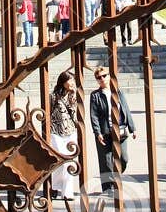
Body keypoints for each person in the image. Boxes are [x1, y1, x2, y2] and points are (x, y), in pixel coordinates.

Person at [89, 64, 135, 194]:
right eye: (99, 77)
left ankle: (116, 177)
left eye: (104, 76)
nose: (102, 79)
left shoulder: (117, 91)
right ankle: (108, 188)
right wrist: (97, 132)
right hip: (105, 131)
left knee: (124, 158)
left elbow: (126, 109)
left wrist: (132, 128)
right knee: (106, 162)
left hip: (121, 130)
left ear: (109, 76)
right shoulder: (95, 95)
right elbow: (94, 115)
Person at [49, 70, 79, 200]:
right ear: (63, 82)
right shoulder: (54, 96)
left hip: (70, 131)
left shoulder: (75, 95)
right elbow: (47, 112)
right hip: (56, 131)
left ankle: (67, 192)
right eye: (69, 80)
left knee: (70, 161)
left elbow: (76, 114)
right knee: (59, 161)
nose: (72, 83)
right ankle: (55, 186)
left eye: (73, 80)